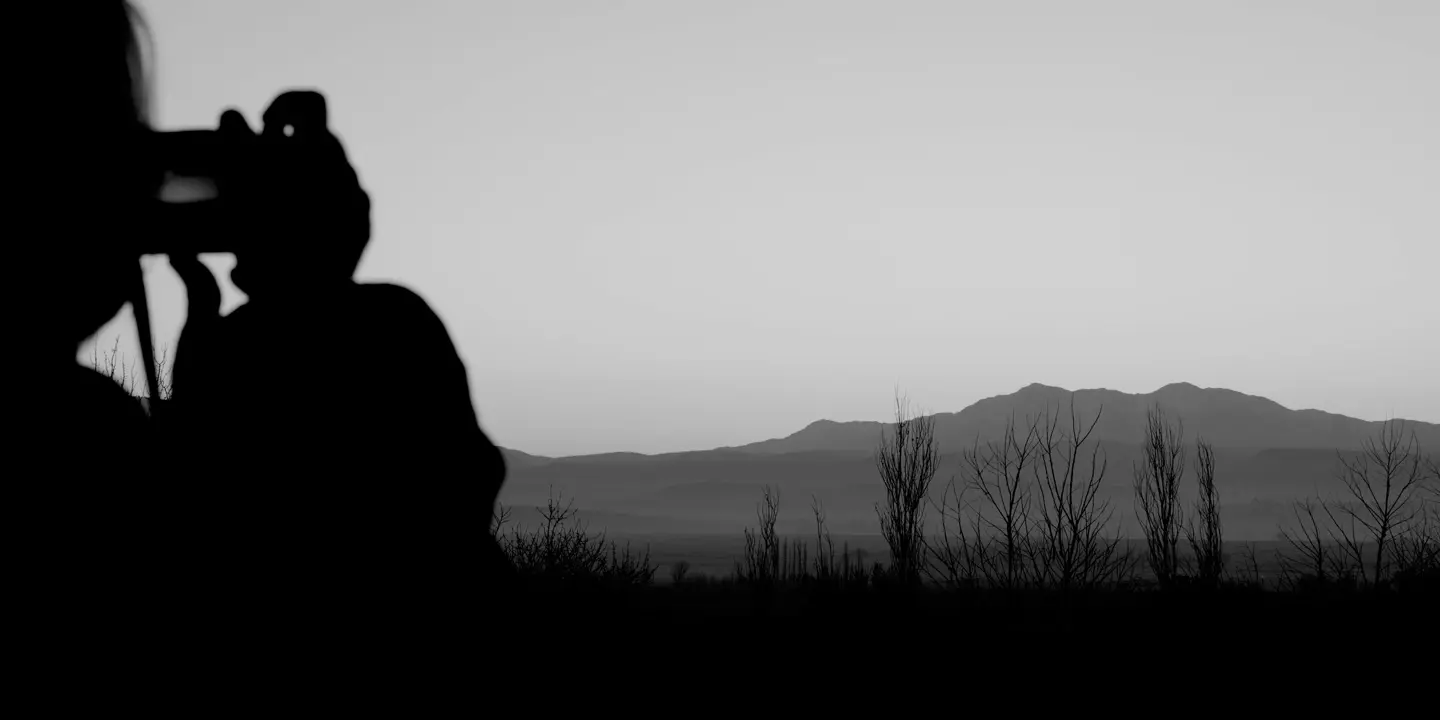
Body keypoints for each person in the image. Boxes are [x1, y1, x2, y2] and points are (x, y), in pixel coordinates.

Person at [165, 92, 514, 644]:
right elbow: (462, 484)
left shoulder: (241, 345)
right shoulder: (397, 321)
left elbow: (193, 509)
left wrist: (203, 337)